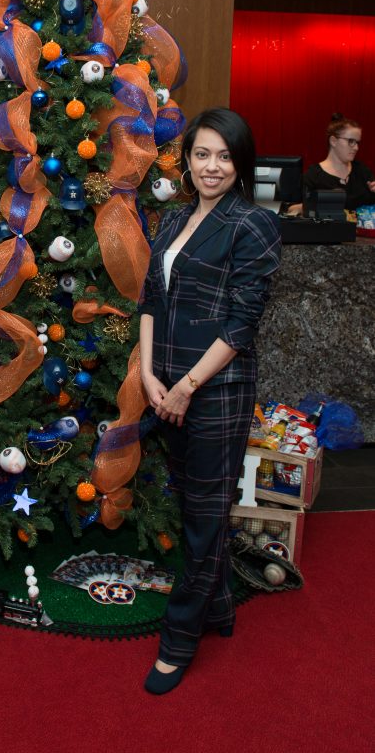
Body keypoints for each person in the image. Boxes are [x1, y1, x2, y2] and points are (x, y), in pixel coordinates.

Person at [138, 107, 281, 695]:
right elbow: (150, 300)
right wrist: (149, 377)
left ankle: (178, 639)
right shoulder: (172, 222)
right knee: (196, 505)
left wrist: (185, 387)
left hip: (213, 393)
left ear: (240, 162)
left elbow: (241, 324)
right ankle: (218, 606)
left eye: (224, 155)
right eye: (202, 154)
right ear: (188, 159)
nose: (212, 166)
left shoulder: (253, 225)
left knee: (202, 518)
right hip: (163, 388)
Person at [303, 113, 375, 209]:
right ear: (333, 141)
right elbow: (293, 210)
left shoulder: (362, 171)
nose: (356, 148)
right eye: (351, 141)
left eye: (357, 142)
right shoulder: (313, 176)